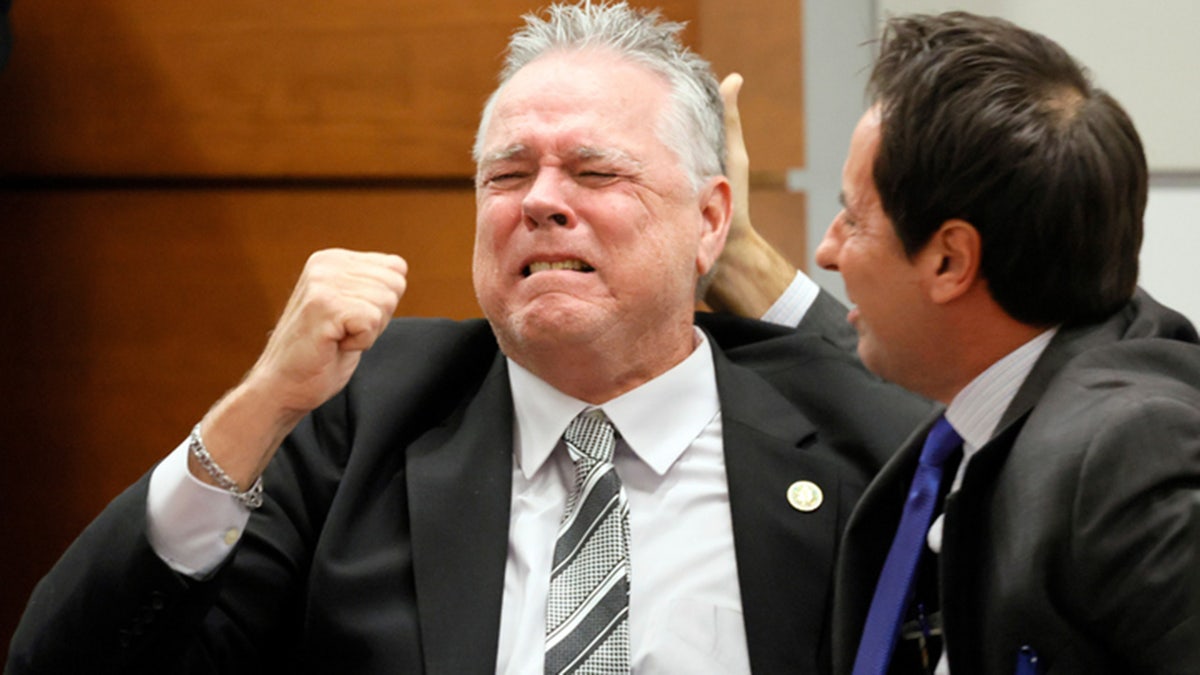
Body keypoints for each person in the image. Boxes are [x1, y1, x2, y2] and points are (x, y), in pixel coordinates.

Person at [7, 2, 929, 673]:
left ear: (710, 218)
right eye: (507, 173)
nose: (540, 200)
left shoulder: (848, 437)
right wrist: (260, 406)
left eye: (596, 170)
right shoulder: (363, 420)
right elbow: (67, 658)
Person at [713, 11, 1200, 675]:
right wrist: (736, 258)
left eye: (854, 219)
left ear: (949, 261)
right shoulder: (1002, 401)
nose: (827, 251)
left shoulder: (1128, 453)